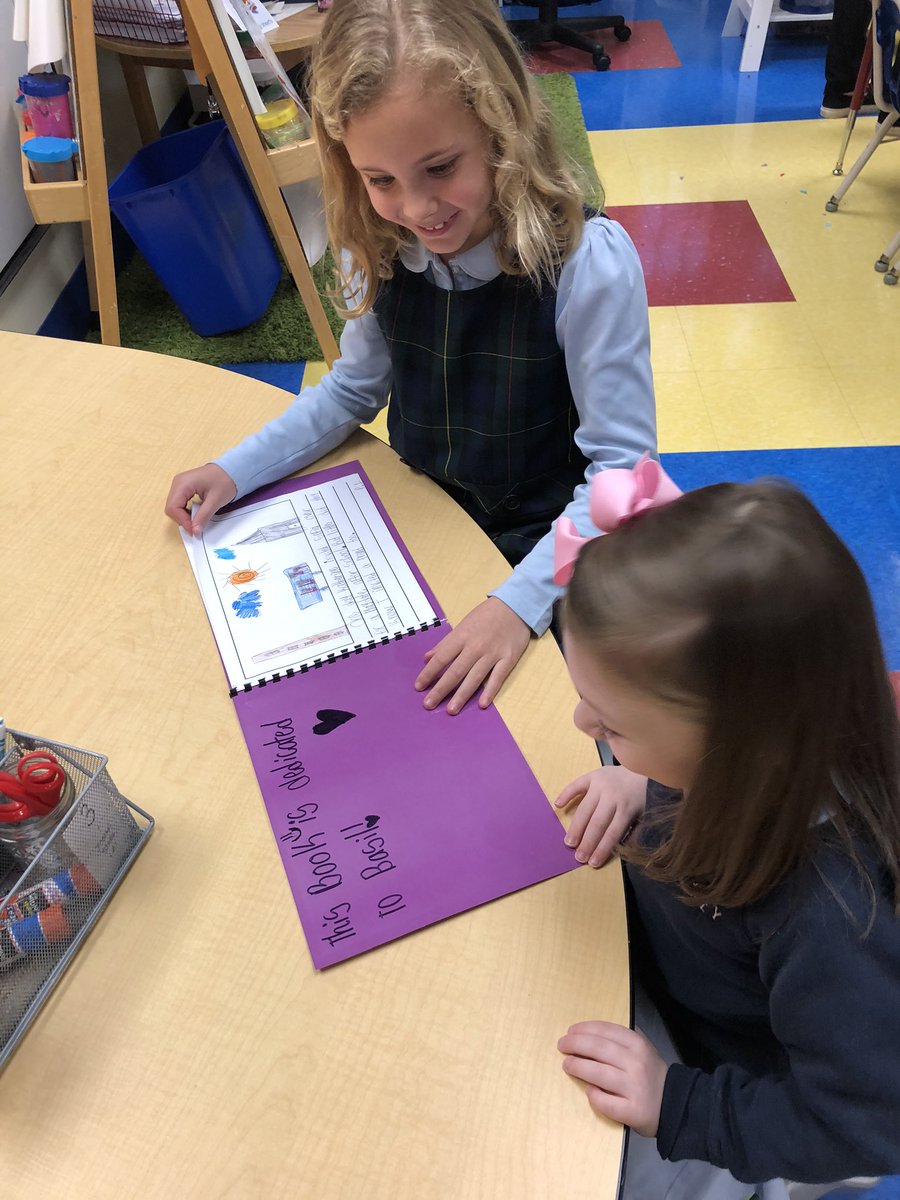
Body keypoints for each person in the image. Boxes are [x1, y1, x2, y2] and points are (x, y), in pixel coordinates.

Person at [164, 0, 656, 716]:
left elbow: (626, 482)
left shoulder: (588, 263)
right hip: (426, 520)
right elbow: (352, 389)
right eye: (380, 177)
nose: (418, 207)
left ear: (502, 125)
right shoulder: (375, 241)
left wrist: (518, 608)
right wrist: (236, 468)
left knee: (559, 732)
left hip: (556, 550)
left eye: (440, 167)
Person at [552, 466, 900, 1199]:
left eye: (610, 724)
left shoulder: (832, 916)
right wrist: (642, 784)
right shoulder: (754, 763)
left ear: (736, 749)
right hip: (673, 999)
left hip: (741, 1101)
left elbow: (861, 1124)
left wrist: (677, 1103)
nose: (586, 729)